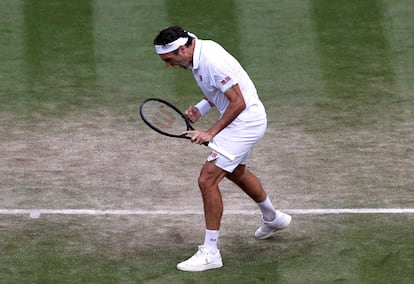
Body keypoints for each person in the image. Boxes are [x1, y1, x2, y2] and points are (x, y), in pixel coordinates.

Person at [153, 26, 291, 272]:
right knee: (236, 172)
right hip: (244, 121)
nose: (168, 65)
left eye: (169, 59)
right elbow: (218, 91)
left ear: (182, 48)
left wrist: (210, 132)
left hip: (245, 123)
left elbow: (238, 102)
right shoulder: (197, 55)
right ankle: (273, 218)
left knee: (207, 180)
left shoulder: (212, 61)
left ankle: (211, 252)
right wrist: (200, 109)